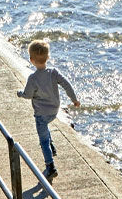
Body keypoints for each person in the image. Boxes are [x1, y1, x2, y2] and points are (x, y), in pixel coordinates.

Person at [17, 40, 79, 182]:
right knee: (46, 129)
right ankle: (51, 146)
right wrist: (74, 99)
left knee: (43, 140)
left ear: (31, 60)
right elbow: (66, 84)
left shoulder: (33, 78)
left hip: (41, 115)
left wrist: (20, 93)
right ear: (48, 57)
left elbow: (28, 95)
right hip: (54, 111)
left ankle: (50, 166)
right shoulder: (53, 73)